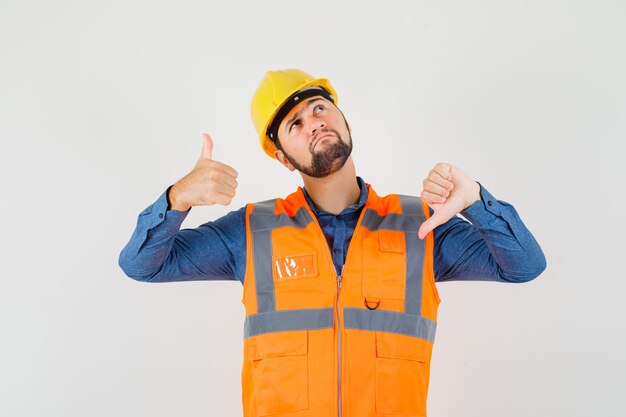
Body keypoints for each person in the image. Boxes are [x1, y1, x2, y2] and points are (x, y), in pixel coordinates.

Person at [119, 69, 546, 417]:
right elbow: (142, 264)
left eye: (320, 108)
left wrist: (475, 201)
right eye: (295, 124)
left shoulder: (422, 225)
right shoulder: (250, 232)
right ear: (283, 157)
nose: (314, 123)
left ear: (345, 121)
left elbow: (523, 265)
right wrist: (176, 200)